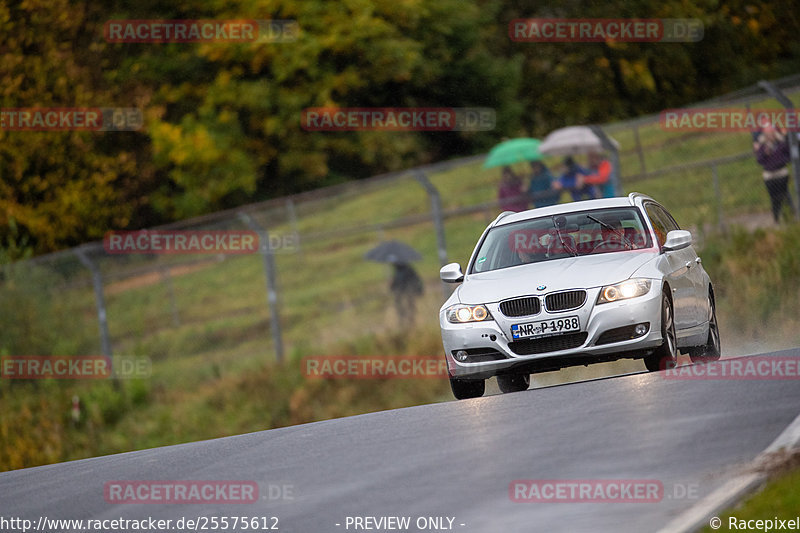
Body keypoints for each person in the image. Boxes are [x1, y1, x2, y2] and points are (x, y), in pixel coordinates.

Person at [753, 122, 796, 223]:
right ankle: (777, 219)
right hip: (769, 175)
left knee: (784, 195)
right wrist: (764, 153)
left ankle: (788, 218)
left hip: (781, 172)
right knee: (774, 199)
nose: (769, 135)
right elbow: (759, 160)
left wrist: (781, 160)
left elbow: (788, 155)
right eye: (767, 133)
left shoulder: (780, 143)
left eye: (771, 132)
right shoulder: (763, 146)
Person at [390, 262, 424, 327]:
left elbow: (415, 281)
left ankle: (410, 323)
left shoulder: (407, 270)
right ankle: (404, 323)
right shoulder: (398, 271)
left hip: (407, 294)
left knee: (409, 308)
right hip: (402, 295)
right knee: (403, 309)